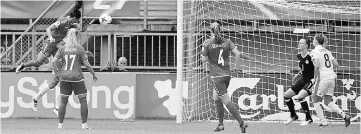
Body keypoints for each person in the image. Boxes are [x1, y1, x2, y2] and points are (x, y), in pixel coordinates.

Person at [201, 21, 248, 133]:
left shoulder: (207, 43)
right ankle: (221, 124)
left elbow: (203, 59)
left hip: (217, 76)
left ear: (210, 31)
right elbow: (238, 54)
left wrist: (205, 62)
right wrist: (237, 67)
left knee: (226, 100)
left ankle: (242, 123)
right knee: (216, 98)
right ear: (220, 30)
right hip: (227, 75)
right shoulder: (227, 41)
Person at [52, 28, 97, 129]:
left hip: (64, 77)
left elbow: (54, 62)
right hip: (77, 78)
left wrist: (58, 74)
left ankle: (60, 125)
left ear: (68, 36)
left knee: (63, 101)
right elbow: (86, 64)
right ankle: (84, 125)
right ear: (77, 36)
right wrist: (93, 74)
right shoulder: (79, 48)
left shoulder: (62, 48)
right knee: (83, 100)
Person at [310, 33, 351, 128]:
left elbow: (316, 66)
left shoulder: (314, 52)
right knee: (327, 101)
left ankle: (323, 122)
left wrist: (314, 78)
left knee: (314, 99)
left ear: (316, 41)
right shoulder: (327, 51)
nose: (312, 41)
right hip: (332, 78)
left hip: (322, 79)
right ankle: (345, 116)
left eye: (313, 40)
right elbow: (336, 64)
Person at [283, 38, 314, 126]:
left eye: (301, 43)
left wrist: (315, 80)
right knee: (286, 96)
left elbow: (317, 68)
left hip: (312, 80)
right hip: (303, 79)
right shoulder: (299, 55)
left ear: (306, 45)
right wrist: (298, 74)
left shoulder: (312, 55)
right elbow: (303, 68)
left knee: (299, 96)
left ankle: (308, 118)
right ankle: (293, 116)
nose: (299, 44)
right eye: (299, 43)